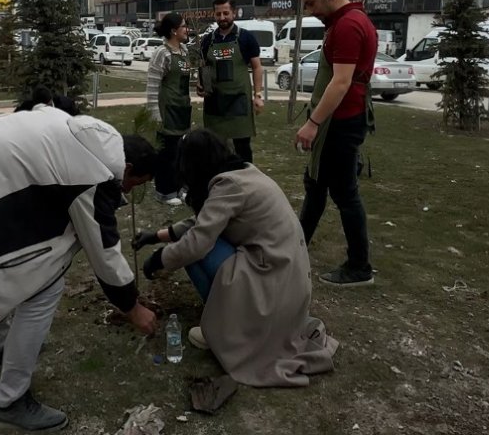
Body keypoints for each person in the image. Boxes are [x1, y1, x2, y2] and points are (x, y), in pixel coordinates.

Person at [0, 105, 159, 431]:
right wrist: (132, 307)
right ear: (126, 167)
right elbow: (104, 251)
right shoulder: (93, 174)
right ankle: (10, 401)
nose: (129, 191)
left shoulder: (77, 132)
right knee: (41, 286)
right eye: (134, 183)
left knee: (12, 269)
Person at [136, 129, 338, 387]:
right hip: (286, 279)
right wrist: (155, 236)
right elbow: (203, 221)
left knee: (195, 251)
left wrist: (158, 259)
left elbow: (197, 241)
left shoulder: (228, 185)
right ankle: (231, 314)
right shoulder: (241, 172)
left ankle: (229, 327)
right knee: (198, 241)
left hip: (273, 282)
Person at [293, 0, 378, 287]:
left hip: (340, 124)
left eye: (312, 3)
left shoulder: (348, 25)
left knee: (344, 194)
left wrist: (313, 124)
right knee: (316, 184)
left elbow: (341, 82)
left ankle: (359, 266)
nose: (310, 11)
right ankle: (296, 246)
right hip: (340, 120)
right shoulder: (348, 21)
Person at [196, 0, 264, 163]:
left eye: (226, 13)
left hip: (238, 101)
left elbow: (257, 67)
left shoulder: (246, 38)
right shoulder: (207, 41)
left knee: (242, 147)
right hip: (215, 101)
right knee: (215, 147)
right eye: (218, 14)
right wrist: (200, 84)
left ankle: (246, 181)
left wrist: (258, 94)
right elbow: (203, 67)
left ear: (234, 13)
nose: (222, 17)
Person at [146, 12, 192, 207]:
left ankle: (180, 188)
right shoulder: (161, 53)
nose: (187, 29)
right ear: (174, 31)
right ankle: (164, 191)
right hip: (167, 111)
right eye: (184, 26)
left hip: (182, 109)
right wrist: (154, 114)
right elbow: (152, 86)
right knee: (167, 154)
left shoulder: (184, 52)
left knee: (181, 153)